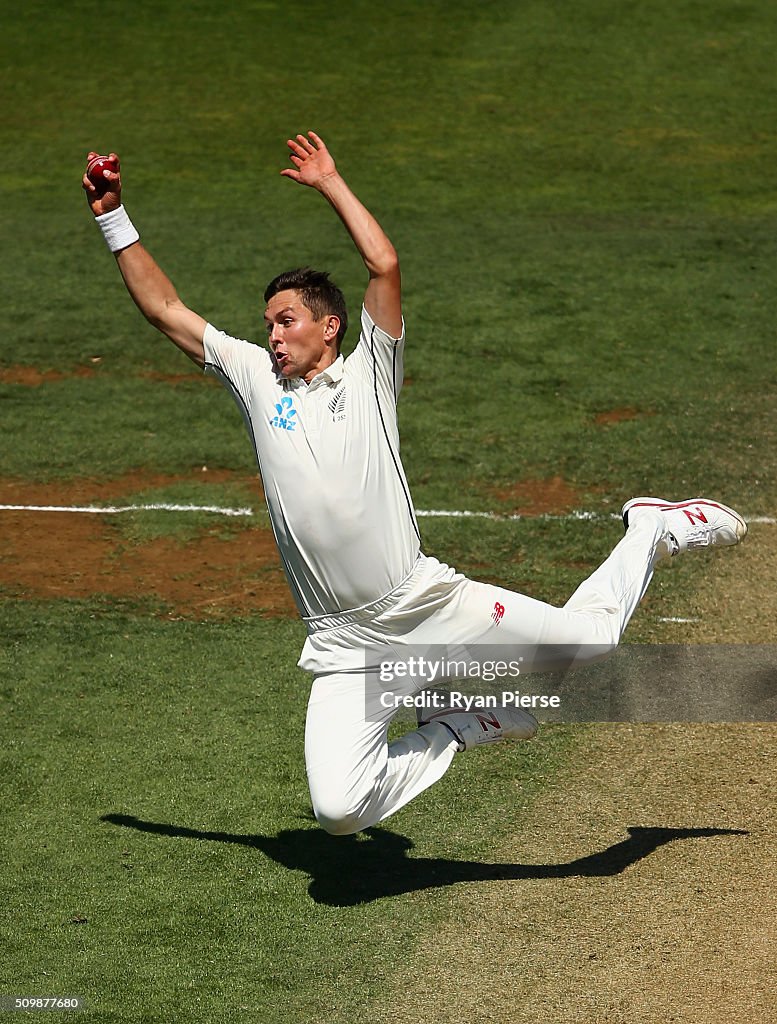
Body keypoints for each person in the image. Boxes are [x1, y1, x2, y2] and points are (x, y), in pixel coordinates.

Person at [83, 133, 747, 836]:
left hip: (425, 606)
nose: (273, 336)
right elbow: (165, 310)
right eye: (268, 326)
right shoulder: (254, 380)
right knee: (338, 812)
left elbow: (383, 262)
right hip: (345, 645)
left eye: (286, 321)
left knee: (594, 643)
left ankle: (652, 528)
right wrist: (111, 216)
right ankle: (458, 726)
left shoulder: (372, 372)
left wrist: (331, 183)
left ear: (329, 326)